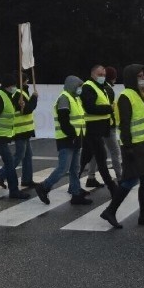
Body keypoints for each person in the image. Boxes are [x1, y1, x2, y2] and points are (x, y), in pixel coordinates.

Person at [100, 64, 144, 228]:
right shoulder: (126, 96)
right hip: (134, 147)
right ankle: (110, 211)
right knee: (129, 181)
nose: (143, 78)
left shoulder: (141, 95)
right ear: (132, 78)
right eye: (140, 76)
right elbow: (124, 124)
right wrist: (129, 147)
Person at [34, 75, 92, 206]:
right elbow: (64, 120)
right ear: (72, 85)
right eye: (79, 86)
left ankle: (76, 193)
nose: (80, 89)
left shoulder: (74, 98)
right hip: (67, 139)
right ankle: (44, 187)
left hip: (75, 138)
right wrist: (72, 135)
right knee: (63, 168)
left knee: (75, 168)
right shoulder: (64, 98)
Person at [0, 73, 38, 189]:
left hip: (25, 129)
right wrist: (34, 98)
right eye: (26, 81)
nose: (27, 83)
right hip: (20, 129)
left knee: (27, 155)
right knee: (19, 155)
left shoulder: (21, 92)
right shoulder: (18, 94)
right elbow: (27, 109)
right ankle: (1, 174)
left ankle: (27, 179)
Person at [78, 65, 117, 194]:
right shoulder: (88, 87)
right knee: (102, 158)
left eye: (104, 75)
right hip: (92, 129)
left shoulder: (101, 87)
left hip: (99, 129)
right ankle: (113, 188)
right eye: (100, 74)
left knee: (85, 158)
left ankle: (72, 184)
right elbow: (90, 108)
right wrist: (109, 109)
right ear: (93, 74)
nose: (102, 77)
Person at [103, 66, 123, 180]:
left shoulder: (102, 88)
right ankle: (120, 177)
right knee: (115, 151)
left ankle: (91, 176)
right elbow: (110, 108)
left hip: (100, 124)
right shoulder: (109, 89)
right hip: (109, 125)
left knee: (96, 153)